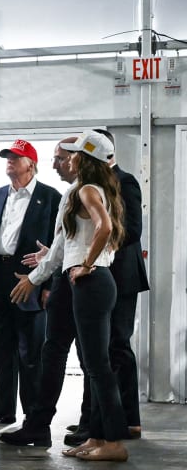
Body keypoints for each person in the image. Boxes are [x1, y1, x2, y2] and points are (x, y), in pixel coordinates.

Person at [3, 130, 129, 461]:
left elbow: (105, 228)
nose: (67, 159)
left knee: (98, 365)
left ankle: (114, 442)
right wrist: (59, 265)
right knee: (89, 362)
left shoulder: (87, 190)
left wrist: (86, 264)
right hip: (84, 281)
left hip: (89, 282)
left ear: (86, 159)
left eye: (73, 154)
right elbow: (67, 243)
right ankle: (97, 437)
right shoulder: (89, 189)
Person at [65, 129, 149, 445]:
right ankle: (93, 421)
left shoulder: (124, 181)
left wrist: (95, 255)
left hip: (120, 276)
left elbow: (132, 229)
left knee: (115, 347)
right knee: (96, 352)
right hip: (100, 274)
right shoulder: (87, 186)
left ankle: (127, 420)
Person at [0, 139, 62, 425]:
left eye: (16, 157)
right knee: (2, 349)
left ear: (31, 165)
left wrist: (48, 285)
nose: (9, 161)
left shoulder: (51, 197)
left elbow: (58, 245)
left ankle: (33, 414)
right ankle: (3, 410)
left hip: (31, 278)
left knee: (31, 351)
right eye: (7, 157)